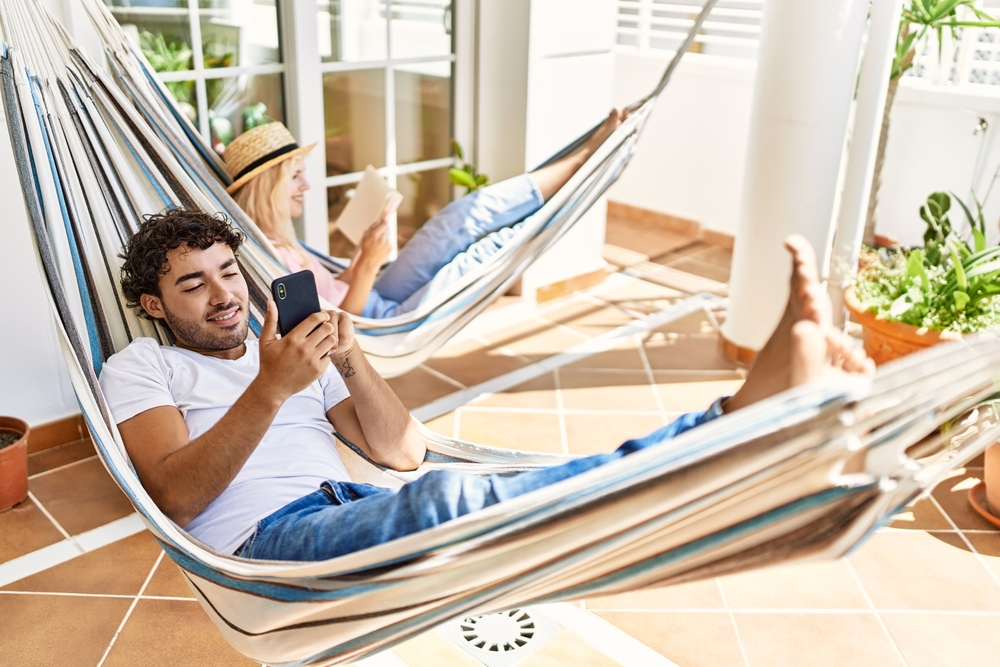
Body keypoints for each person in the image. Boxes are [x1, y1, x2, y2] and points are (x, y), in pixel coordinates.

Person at [98, 208, 873, 561]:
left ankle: (738, 418)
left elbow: (403, 452)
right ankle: (738, 417)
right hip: (270, 543)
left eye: (229, 272)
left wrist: (347, 358)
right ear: (153, 305)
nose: (225, 293)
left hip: (354, 510)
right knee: (453, 503)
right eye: (194, 285)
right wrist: (268, 391)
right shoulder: (141, 367)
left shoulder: (285, 354)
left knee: (493, 488)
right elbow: (176, 496)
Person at [223, 111, 628, 318]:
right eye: (295, 177)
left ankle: (580, 159)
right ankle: (579, 170)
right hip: (381, 323)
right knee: (489, 251)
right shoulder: (267, 262)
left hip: (375, 294)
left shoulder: (279, 241)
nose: (307, 186)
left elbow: (333, 291)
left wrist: (365, 256)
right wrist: (368, 264)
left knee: (459, 217)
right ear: (268, 187)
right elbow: (337, 325)